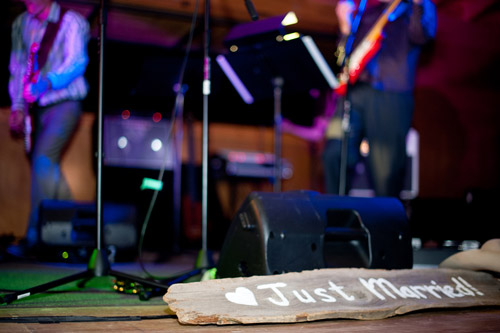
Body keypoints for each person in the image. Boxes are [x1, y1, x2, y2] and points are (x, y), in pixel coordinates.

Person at [285, 0, 437, 197]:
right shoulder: (364, 11)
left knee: (385, 171)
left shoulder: (413, 7)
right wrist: (344, 27)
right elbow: (343, 57)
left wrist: (419, 4)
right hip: (354, 92)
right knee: (334, 154)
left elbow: (422, 34)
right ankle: (337, 216)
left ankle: (386, 224)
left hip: (390, 94)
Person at [8, 0, 90, 255]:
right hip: (36, 107)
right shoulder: (21, 24)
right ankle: (68, 232)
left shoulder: (71, 21)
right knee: (46, 167)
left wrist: (48, 82)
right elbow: (18, 67)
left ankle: (35, 236)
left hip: (65, 103)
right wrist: (18, 106)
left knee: (43, 159)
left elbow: (77, 61)